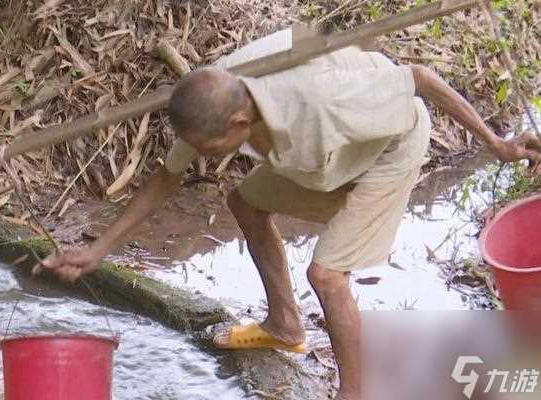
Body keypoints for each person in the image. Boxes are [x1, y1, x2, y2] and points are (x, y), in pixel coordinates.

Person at [38, 29, 541, 399]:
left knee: (327, 275)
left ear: (240, 123)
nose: (201, 158)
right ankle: (285, 325)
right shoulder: (216, 93)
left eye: (207, 149)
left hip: (389, 150)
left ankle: (354, 393)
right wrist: (97, 251)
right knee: (245, 202)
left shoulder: (322, 101)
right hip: (326, 156)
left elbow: (420, 80)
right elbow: (166, 178)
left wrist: (496, 144)